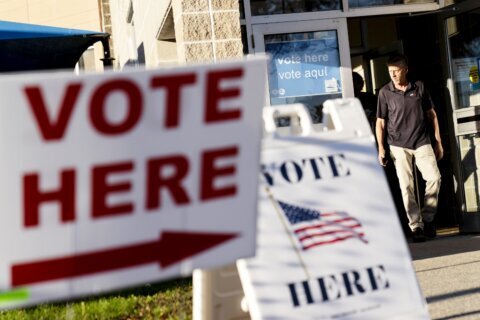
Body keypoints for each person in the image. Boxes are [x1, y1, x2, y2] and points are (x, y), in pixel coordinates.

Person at [376, 54, 443, 243]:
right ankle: (416, 226)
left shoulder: (419, 87)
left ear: (405, 69)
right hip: (398, 145)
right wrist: (381, 148)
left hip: (421, 141)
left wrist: (438, 141)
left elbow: (432, 115)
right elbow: (380, 123)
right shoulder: (385, 92)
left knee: (434, 178)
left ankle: (428, 218)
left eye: (396, 71)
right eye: (390, 72)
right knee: (407, 186)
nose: (393, 75)